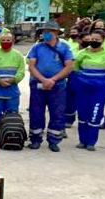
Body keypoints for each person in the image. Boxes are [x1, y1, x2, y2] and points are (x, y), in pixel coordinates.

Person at [27, 21, 74, 152]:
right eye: (44, 31)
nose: (46, 33)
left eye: (49, 31)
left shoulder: (65, 47)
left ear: (56, 32)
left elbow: (69, 66)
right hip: (38, 84)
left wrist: (52, 79)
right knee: (36, 112)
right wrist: (43, 79)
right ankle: (35, 139)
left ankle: (53, 141)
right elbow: (31, 66)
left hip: (57, 86)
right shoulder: (37, 47)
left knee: (57, 113)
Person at [72, 29, 105, 150]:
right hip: (83, 88)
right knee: (82, 114)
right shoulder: (82, 53)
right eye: (92, 39)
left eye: (97, 39)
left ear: (103, 41)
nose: (94, 41)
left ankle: (91, 142)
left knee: (95, 114)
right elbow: (75, 67)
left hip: (100, 89)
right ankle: (82, 141)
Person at [0, 32, 25, 134]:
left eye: (8, 40)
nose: (5, 42)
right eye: (3, 40)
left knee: (12, 115)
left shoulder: (18, 55)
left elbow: (21, 72)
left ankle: (11, 134)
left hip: (12, 93)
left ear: (13, 41)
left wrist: (14, 79)